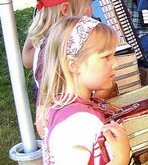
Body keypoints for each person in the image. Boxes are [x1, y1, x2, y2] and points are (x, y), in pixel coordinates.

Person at [39, 16, 131, 164]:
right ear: (74, 65)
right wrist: (121, 158)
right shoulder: (78, 121)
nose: (115, 64)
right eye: (106, 57)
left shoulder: (70, 105)